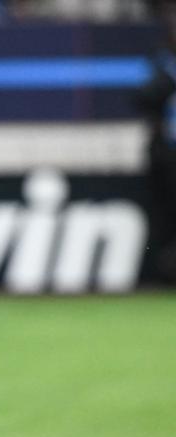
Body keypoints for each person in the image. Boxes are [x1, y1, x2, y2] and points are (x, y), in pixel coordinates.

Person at [136, 3, 176, 283]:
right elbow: (143, 98)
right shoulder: (162, 64)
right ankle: (166, 270)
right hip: (167, 154)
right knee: (165, 215)